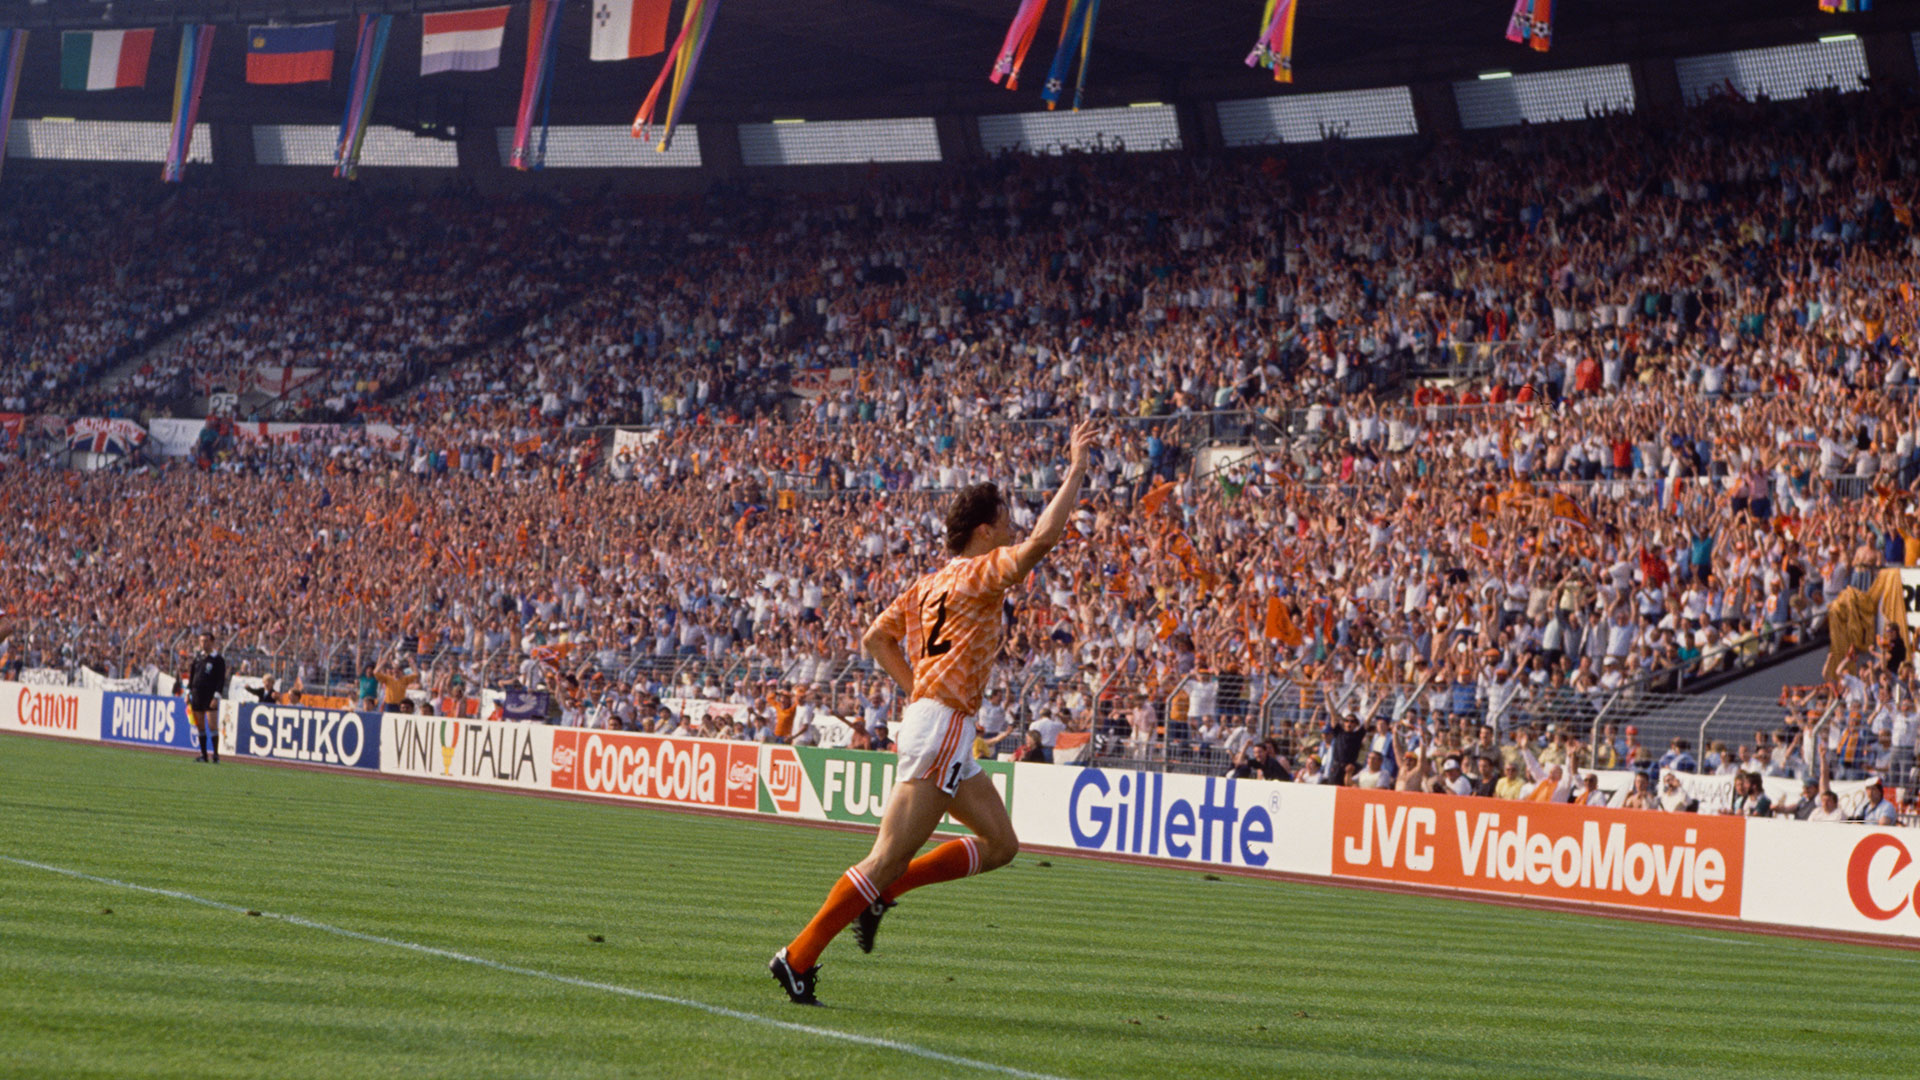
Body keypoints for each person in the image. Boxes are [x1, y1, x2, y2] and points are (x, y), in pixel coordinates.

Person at [771, 419, 1098, 1005]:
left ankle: (884, 896)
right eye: (1004, 518)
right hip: (943, 723)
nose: (1012, 525)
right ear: (983, 529)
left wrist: (917, 688)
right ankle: (797, 956)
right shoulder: (979, 575)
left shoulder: (927, 585)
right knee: (887, 856)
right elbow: (1045, 541)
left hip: (938, 720)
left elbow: (875, 638)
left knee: (1001, 845)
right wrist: (1074, 468)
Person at [184, 632, 227, 764]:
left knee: (212, 725)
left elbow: (221, 680)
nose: (203, 643)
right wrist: (188, 693)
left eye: (206, 641)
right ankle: (203, 755)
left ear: (212, 642)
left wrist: (216, 697)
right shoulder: (198, 658)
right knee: (200, 726)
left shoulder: (218, 659)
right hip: (197, 695)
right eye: (201, 641)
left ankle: (216, 755)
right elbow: (192, 677)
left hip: (210, 696)